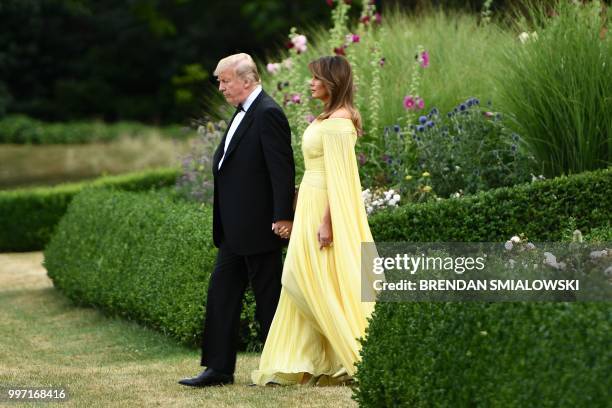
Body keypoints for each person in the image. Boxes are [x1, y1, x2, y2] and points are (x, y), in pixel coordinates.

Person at [251, 55, 376, 386]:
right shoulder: (328, 117)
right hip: (310, 199)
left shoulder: (339, 122)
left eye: (317, 78)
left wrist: (327, 222)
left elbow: (341, 179)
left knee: (306, 277)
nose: (311, 82)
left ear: (332, 82)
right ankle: (304, 360)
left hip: (325, 205)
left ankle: (355, 354)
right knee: (312, 278)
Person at [179, 53, 295, 387]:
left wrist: (282, 217)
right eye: (219, 81)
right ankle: (218, 369)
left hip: (260, 226)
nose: (220, 87)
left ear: (246, 80)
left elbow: (281, 170)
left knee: (268, 300)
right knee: (221, 294)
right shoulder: (242, 113)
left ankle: (278, 366)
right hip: (233, 229)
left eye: (224, 80)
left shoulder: (268, 112)